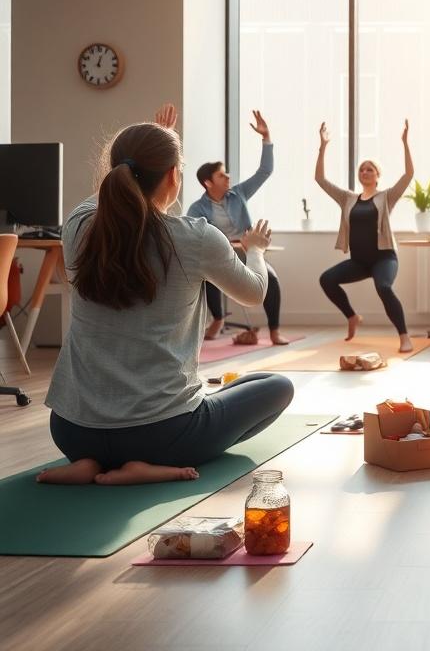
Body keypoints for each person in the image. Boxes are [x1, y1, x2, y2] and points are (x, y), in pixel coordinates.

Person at [37, 119, 294, 485]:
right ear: (174, 176)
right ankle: (140, 467)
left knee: (235, 387)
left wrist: (145, 149)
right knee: (277, 385)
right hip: (164, 436)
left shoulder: (78, 226)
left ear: (116, 171)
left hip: (71, 430)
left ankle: (91, 462)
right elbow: (254, 292)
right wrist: (255, 249)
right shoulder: (195, 237)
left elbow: (115, 191)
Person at [183, 107, 289, 345]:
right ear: (208, 183)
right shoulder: (197, 209)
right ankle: (218, 319)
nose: (228, 176)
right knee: (206, 274)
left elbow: (265, 171)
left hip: (245, 252)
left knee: (271, 279)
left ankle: (274, 331)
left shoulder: (239, 194)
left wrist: (266, 137)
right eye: (222, 175)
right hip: (219, 252)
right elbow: (194, 237)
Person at [315, 120, 414, 352]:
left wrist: (405, 143)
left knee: (384, 288)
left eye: (370, 169)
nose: (365, 171)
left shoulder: (386, 197)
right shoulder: (348, 198)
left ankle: (404, 336)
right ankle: (351, 317)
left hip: (384, 258)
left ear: (378, 175)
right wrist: (323, 146)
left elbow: (409, 174)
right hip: (359, 261)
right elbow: (320, 179)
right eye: (362, 169)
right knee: (326, 279)